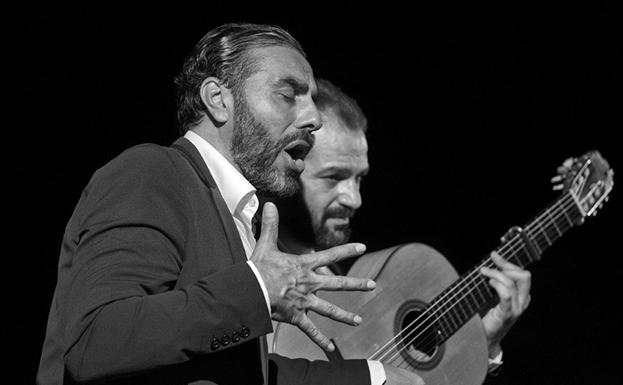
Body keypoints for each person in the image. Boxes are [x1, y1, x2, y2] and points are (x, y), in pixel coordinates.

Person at [37, 23, 393, 385]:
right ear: (218, 100)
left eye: (313, 100)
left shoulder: (237, 215)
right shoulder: (152, 172)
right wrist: (257, 287)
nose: (314, 118)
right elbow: (96, 342)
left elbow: (236, 375)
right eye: (288, 95)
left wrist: (375, 376)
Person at [275, 78, 532, 381]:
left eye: (359, 178)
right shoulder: (251, 270)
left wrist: (481, 344)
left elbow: (393, 369)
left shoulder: (347, 273)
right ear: (288, 167)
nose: (354, 199)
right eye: (334, 177)